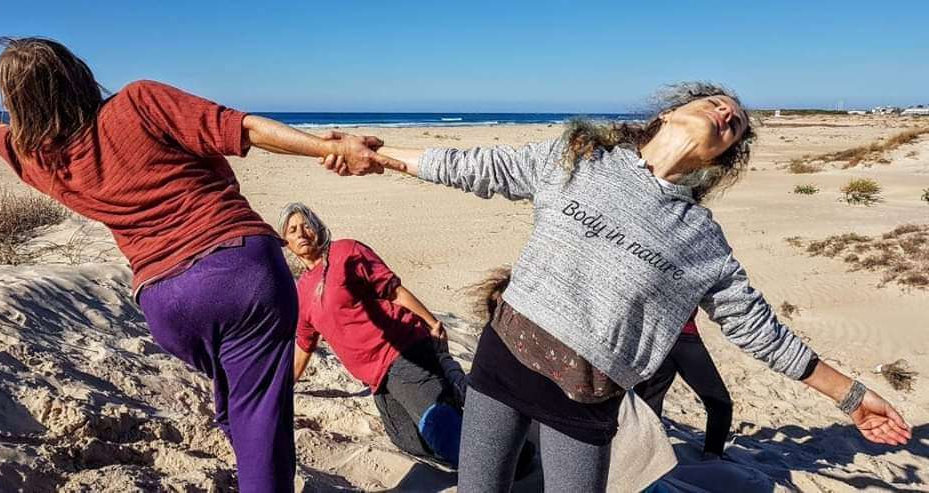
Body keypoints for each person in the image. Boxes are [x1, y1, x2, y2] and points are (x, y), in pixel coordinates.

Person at [323, 82, 911, 492]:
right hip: (502, 365)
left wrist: (853, 397)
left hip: (585, 400)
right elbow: (480, 168)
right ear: (668, 114)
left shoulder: (700, 238)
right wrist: (379, 157)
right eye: (714, 102)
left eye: (735, 123)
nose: (727, 113)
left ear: (724, 158)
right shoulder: (576, 157)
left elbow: (757, 329)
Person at [0, 37, 399, 493]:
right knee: (259, 415)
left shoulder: (36, 158)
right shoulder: (136, 102)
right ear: (77, 73)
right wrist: (325, 147)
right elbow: (242, 128)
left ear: (17, 102)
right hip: (239, 271)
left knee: (237, 402)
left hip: (165, 305)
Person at [281, 202, 468, 466]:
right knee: (407, 439)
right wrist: (283, 385)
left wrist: (431, 322)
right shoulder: (301, 292)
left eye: (306, 225)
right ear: (285, 241)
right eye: (292, 229)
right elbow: (304, 344)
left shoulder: (345, 251)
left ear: (318, 228)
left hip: (402, 351)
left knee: (440, 431)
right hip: (376, 378)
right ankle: (456, 404)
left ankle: (517, 460)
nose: (301, 232)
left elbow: (393, 290)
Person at [636, 310, 734, 460]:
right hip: (681, 337)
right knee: (720, 403)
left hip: (656, 337)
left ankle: (645, 456)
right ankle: (712, 456)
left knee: (648, 402)